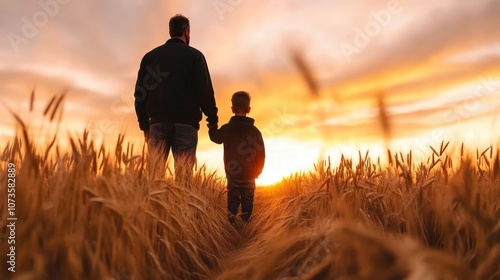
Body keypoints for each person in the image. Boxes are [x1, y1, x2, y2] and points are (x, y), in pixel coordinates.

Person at [134, 14, 218, 183]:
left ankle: (154, 209)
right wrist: (212, 120)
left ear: (170, 31)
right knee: (184, 181)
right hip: (186, 125)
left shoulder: (150, 57)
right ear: (187, 31)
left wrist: (144, 124)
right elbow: (205, 91)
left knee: (154, 179)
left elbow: (140, 93)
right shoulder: (195, 56)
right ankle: (181, 210)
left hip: (157, 124)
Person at [209, 91, 265, 225]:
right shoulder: (255, 131)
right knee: (248, 202)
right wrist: (257, 171)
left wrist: (212, 125)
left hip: (232, 174)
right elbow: (261, 154)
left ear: (232, 109)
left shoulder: (227, 129)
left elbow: (214, 137)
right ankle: (245, 227)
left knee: (232, 202)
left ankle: (232, 227)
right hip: (250, 175)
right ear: (248, 109)